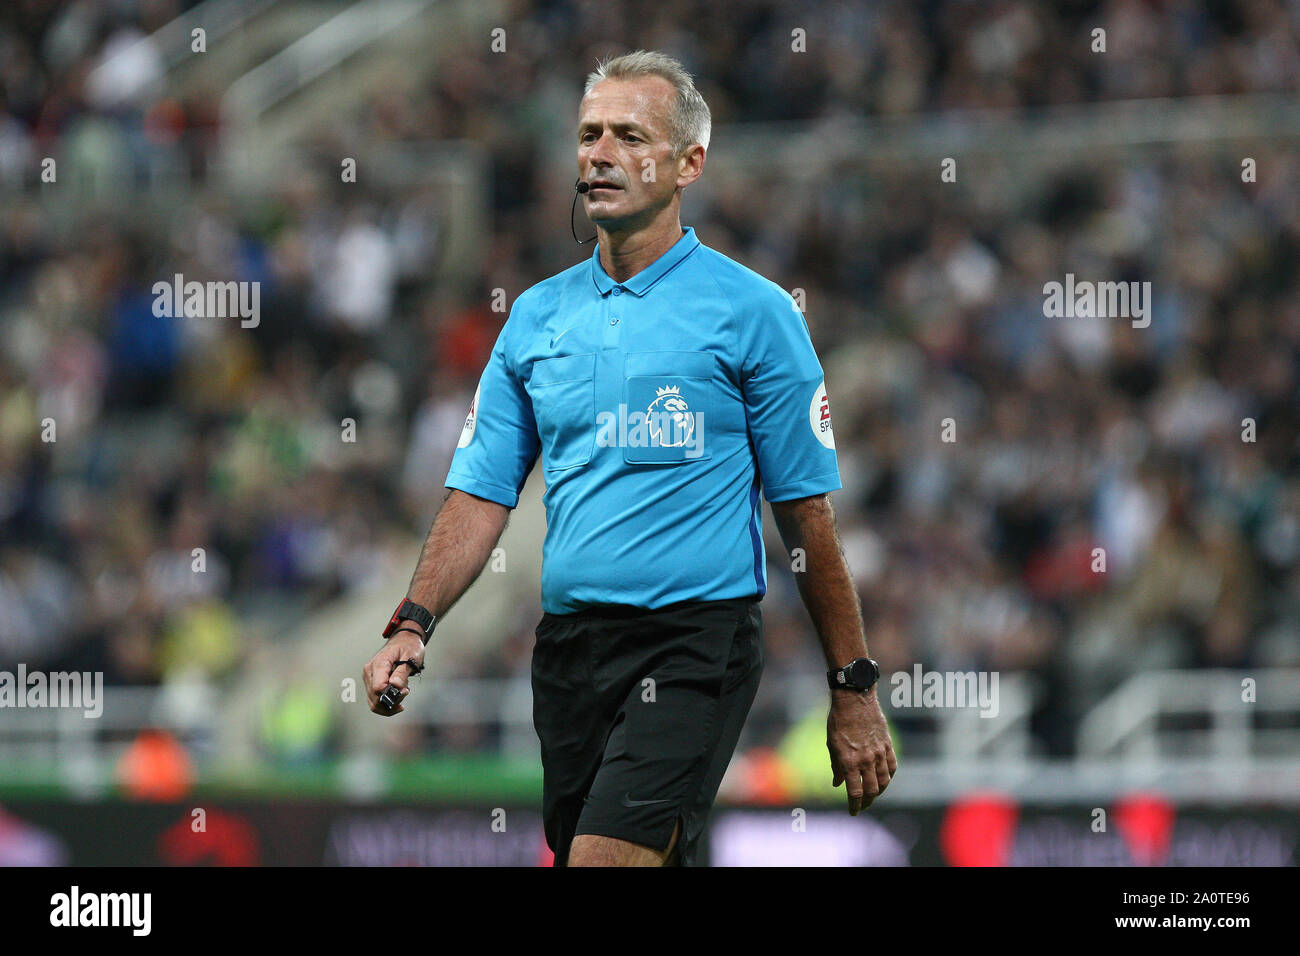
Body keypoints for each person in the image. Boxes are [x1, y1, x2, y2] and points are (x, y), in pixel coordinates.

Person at [363, 50, 896, 867]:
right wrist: (413, 620)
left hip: (694, 645)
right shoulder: (536, 318)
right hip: (571, 652)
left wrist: (852, 687)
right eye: (588, 134)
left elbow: (806, 517)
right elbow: (479, 493)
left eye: (629, 135)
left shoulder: (754, 314)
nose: (600, 153)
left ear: (690, 163)